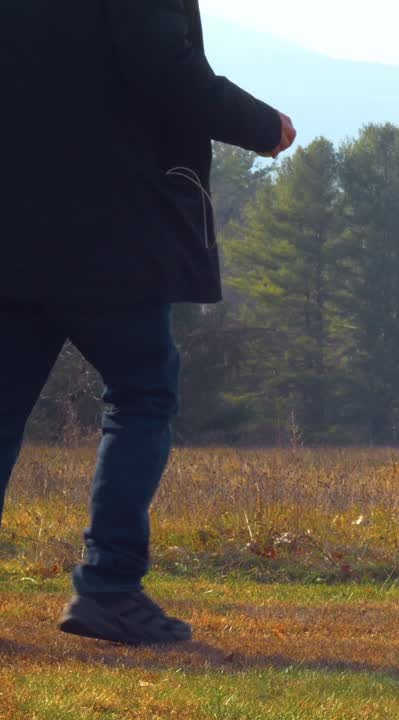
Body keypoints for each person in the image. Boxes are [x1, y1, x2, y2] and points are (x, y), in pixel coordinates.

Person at [0, 1, 296, 645]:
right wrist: (263, 124)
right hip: (107, 230)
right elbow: (162, 65)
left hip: (12, 226)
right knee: (143, 392)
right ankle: (108, 588)